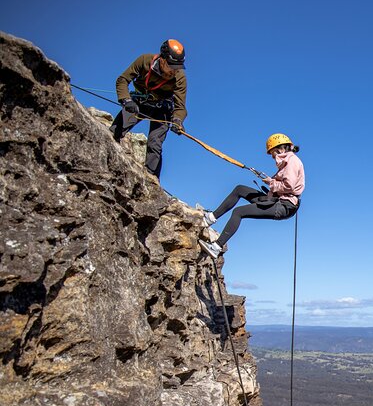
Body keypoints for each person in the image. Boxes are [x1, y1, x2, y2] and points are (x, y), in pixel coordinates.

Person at [198, 133, 305, 259]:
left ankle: (216, 247)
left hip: (284, 206)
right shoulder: (288, 162)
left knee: (239, 212)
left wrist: (271, 182)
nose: (272, 157)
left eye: (272, 153)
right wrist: (271, 181)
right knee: (240, 189)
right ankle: (210, 218)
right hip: (278, 201)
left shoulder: (292, 161)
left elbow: (289, 186)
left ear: (280, 149)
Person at [109, 39, 188, 178]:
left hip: (162, 109)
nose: (174, 70)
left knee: (154, 144)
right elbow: (122, 80)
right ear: (162, 59)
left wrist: (177, 121)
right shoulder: (144, 61)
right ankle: (106, 159)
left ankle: (152, 181)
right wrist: (126, 100)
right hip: (139, 103)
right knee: (116, 130)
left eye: (177, 67)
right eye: (171, 66)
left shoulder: (180, 77)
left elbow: (180, 106)